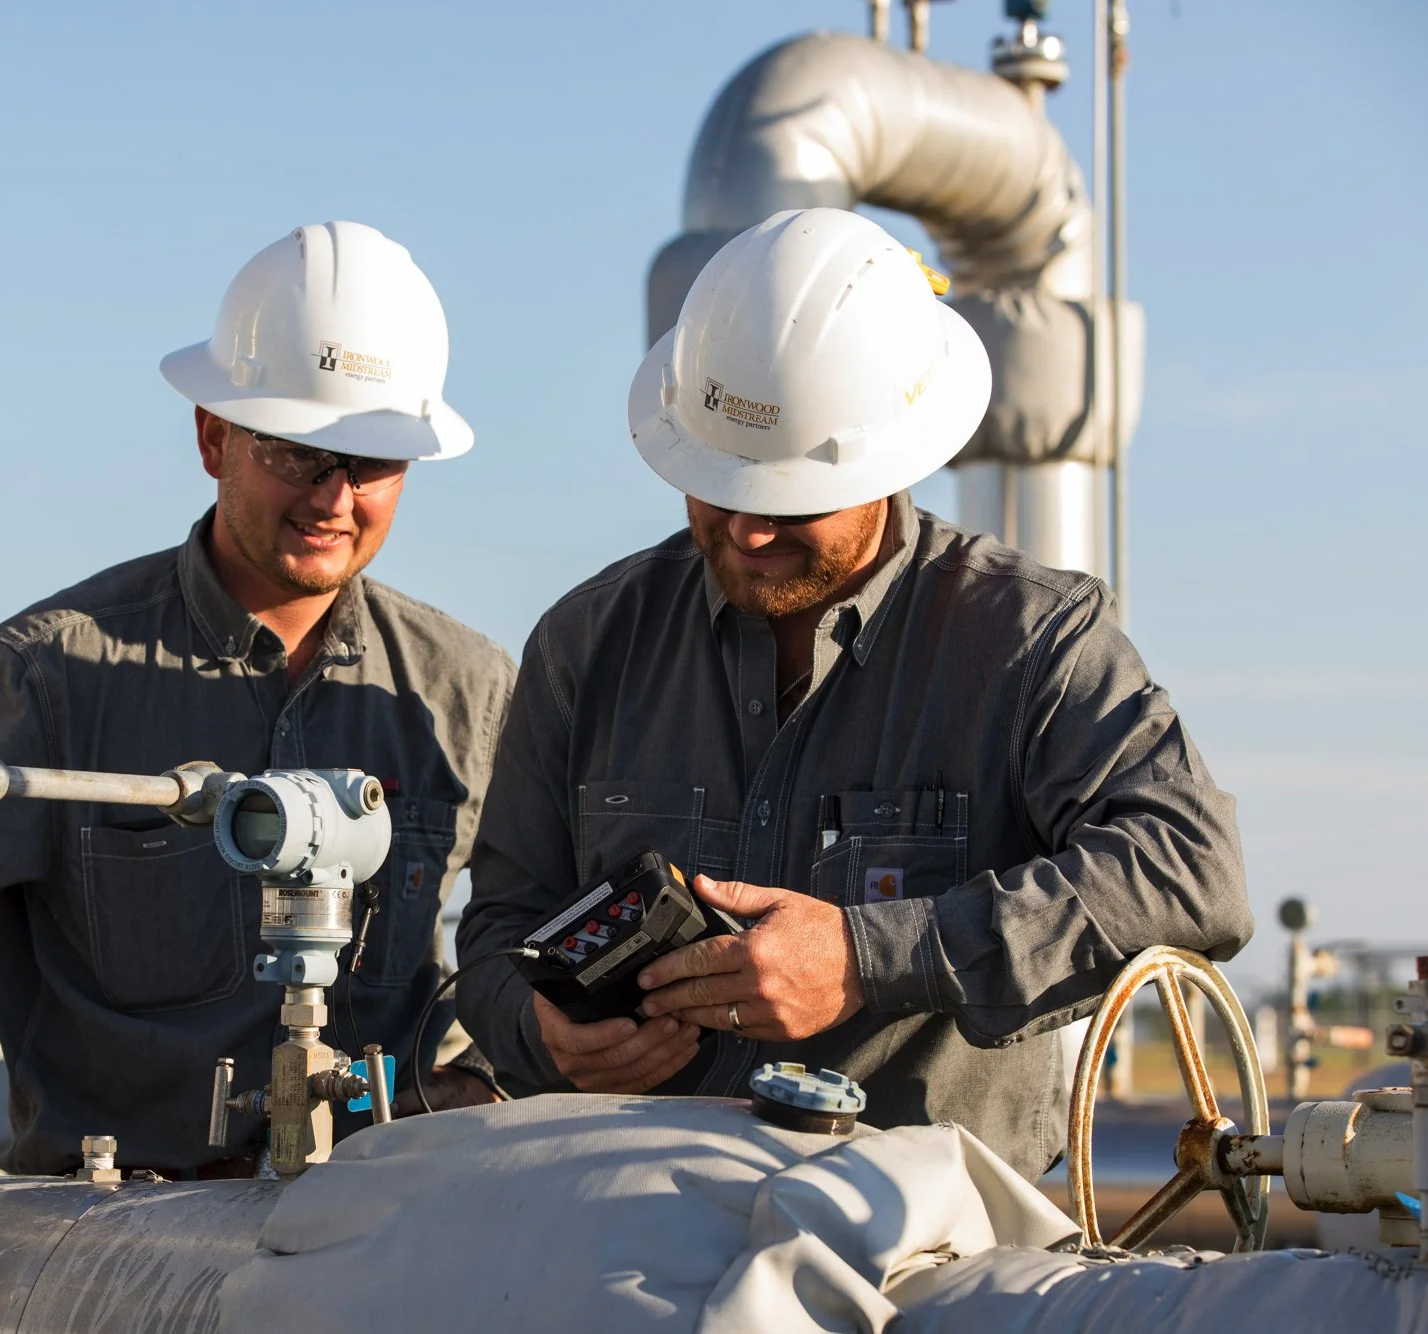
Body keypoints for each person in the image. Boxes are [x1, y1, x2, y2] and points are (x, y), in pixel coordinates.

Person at [454, 208, 1251, 1178]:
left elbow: (1186, 871)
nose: (747, 532)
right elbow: (498, 929)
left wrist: (867, 957)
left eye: (790, 501)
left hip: (925, 1254)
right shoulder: (589, 643)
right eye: (715, 485)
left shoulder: (1027, 640)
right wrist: (540, 1032)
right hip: (635, 1234)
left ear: (892, 465)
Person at [0, 220, 515, 1176]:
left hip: (375, 1238)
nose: (332, 497)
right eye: (296, 454)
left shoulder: (464, 691)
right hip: (102, 1247)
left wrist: (483, 1073)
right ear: (211, 437)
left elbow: (538, 928)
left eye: (370, 464)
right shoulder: (52, 673)